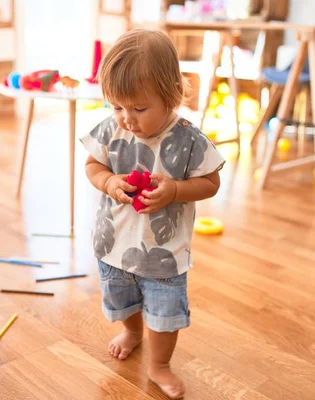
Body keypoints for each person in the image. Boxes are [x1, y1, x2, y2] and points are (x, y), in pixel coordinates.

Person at [80, 28, 225, 399]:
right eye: (117, 106)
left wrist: (175, 189)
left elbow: (211, 183)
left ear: (171, 95)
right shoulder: (112, 129)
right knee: (122, 298)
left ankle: (160, 364)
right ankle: (131, 331)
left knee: (164, 312)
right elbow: (92, 165)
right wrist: (109, 181)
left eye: (139, 108)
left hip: (164, 253)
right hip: (114, 244)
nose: (126, 118)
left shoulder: (189, 139)